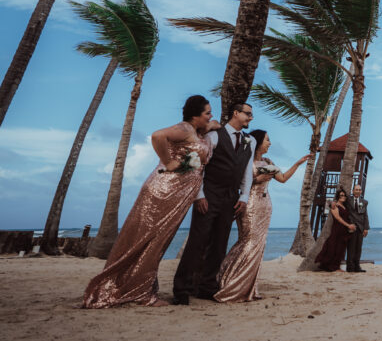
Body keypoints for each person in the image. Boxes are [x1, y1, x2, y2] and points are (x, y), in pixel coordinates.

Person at [83, 95, 215, 308]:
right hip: (164, 191)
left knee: (156, 242)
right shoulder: (184, 128)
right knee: (149, 241)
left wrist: (209, 127)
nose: (211, 116)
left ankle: (136, 287)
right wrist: (169, 162)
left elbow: (203, 138)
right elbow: (157, 136)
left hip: (178, 195)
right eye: (207, 113)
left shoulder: (196, 131)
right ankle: (139, 292)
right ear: (194, 115)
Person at [173, 102, 256, 304]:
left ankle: (207, 287)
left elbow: (247, 170)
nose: (250, 118)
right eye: (247, 114)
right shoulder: (214, 136)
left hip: (231, 198)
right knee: (197, 241)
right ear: (235, 113)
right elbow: (199, 168)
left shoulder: (250, 141)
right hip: (209, 194)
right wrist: (199, 195)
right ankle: (181, 289)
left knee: (219, 244)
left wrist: (244, 197)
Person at [215, 131, 309, 302]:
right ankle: (228, 278)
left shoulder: (268, 162)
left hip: (265, 205)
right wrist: (257, 179)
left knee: (259, 246)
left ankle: (249, 288)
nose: (270, 143)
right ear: (258, 142)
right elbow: (236, 181)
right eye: (267, 140)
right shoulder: (246, 160)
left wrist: (298, 163)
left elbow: (283, 179)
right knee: (248, 242)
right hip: (249, 204)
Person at [315, 187, 357, 272]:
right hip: (337, 229)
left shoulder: (344, 206)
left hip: (344, 230)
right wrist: (348, 225)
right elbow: (338, 218)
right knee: (333, 247)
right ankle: (332, 267)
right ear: (338, 196)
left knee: (340, 249)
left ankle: (336, 267)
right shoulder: (335, 206)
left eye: (344, 195)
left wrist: (351, 226)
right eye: (341, 195)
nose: (343, 196)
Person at [346, 182, 370, 272]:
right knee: (351, 248)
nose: (358, 191)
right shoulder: (348, 200)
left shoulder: (364, 202)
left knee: (358, 248)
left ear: (361, 191)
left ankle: (357, 267)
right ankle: (350, 267)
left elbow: (365, 216)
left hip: (360, 228)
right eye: (356, 189)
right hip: (351, 227)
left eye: (360, 190)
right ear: (353, 191)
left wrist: (366, 228)